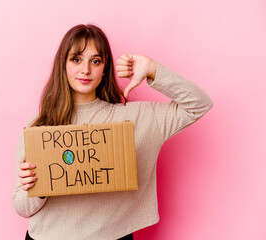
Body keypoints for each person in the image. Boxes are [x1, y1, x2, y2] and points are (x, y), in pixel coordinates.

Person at [12, 24, 213, 240]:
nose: (86, 70)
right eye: (76, 59)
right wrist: (37, 186)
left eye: (95, 61)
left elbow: (199, 104)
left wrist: (152, 68)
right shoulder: (39, 128)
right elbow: (22, 207)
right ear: (63, 65)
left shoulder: (135, 119)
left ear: (105, 67)